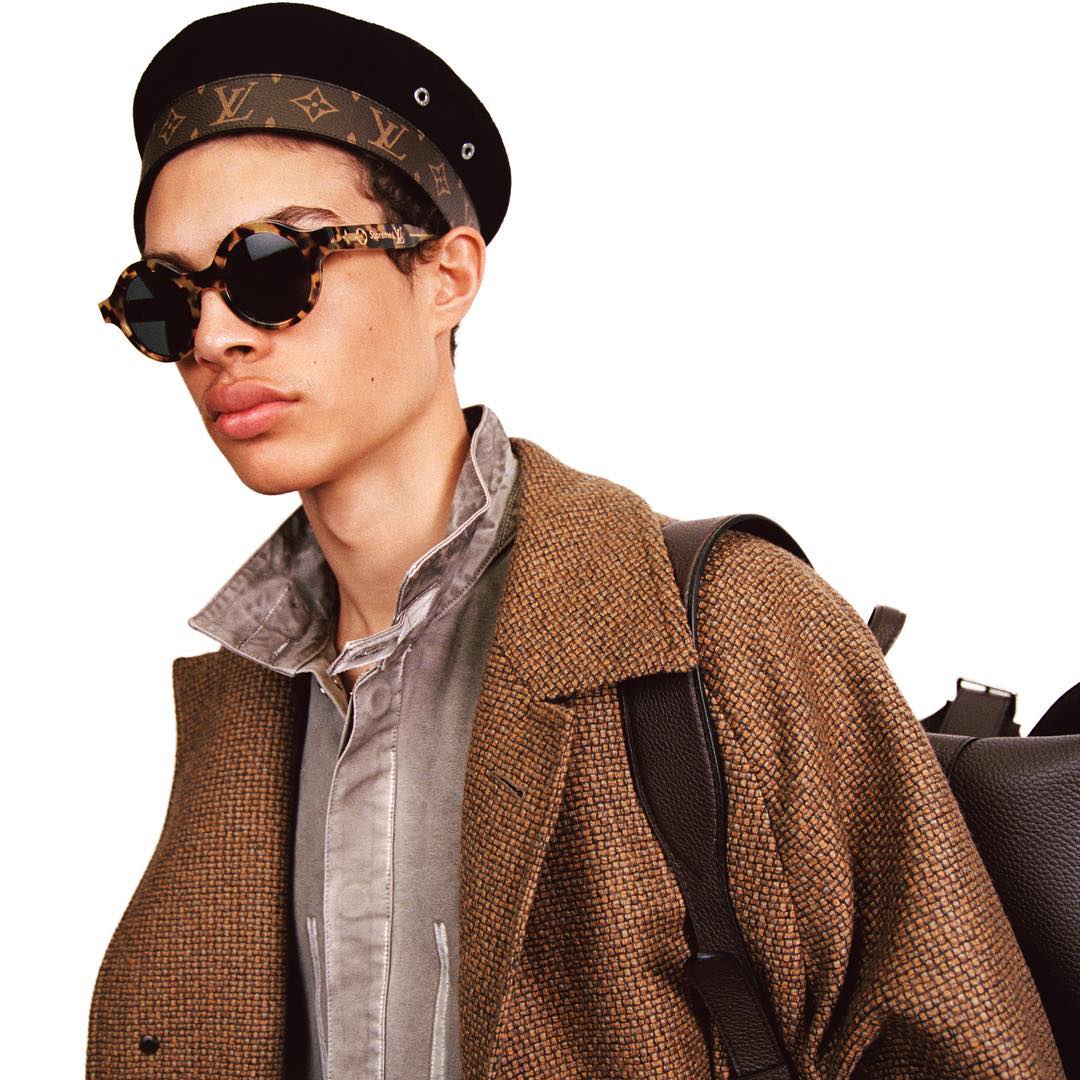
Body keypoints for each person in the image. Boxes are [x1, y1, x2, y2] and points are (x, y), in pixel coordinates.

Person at [87, 4, 1066, 1079]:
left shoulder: (725, 623)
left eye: (273, 265)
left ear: (448, 275)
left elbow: (965, 1044)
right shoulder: (243, 701)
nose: (216, 336)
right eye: (165, 299)